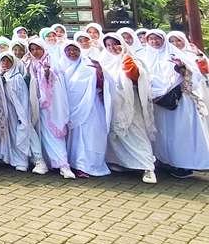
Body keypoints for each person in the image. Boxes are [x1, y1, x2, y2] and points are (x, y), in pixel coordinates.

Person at [143, 29, 209, 178]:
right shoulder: (145, 56)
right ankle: (165, 161)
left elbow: (195, 75)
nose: (154, 42)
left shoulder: (176, 54)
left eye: (157, 38)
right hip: (157, 102)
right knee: (162, 134)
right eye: (151, 39)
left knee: (180, 133)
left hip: (178, 101)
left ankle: (184, 164)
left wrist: (181, 68)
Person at [102, 33, 156, 183]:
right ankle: (122, 163)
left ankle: (148, 167)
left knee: (137, 134)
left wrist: (132, 68)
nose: (112, 48)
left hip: (130, 104)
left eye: (115, 43)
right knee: (116, 136)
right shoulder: (104, 60)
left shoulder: (131, 58)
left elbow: (141, 77)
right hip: (113, 105)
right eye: (108, 45)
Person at [26, 39, 76, 179]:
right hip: (37, 105)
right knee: (42, 135)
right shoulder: (31, 63)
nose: (35, 52)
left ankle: (63, 165)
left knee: (55, 135)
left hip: (53, 107)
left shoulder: (52, 62)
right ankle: (46, 162)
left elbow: (58, 81)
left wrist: (48, 74)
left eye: (38, 48)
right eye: (33, 49)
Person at [61, 42, 110, 177]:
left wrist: (100, 72)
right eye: (68, 50)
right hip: (71, 110)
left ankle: (89, 165)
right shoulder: (61, 66)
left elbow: (102, 84)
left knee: (91, 136)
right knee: (76, 139)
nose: (72, 53)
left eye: (75, 49)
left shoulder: (89, 65)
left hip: (91, 107)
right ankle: (77, 165)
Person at [0, 52, 42, 173]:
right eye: (3, 61)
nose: (5, 64)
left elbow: (22, 99)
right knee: (12, 136)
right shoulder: (3, 76)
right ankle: (17, 160)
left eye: (8, 61)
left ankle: (30, 161)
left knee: (24, 134)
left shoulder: (16, 77)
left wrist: (22, 116)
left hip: (20, 113)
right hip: (10, 113)